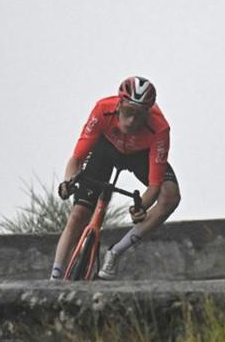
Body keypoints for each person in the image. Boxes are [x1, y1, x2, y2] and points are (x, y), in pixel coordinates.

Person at [49, 76, 181, 280]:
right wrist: (68, 183)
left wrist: (141, 208)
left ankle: (116, 252)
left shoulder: (160, 128)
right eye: (128, 112)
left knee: (170, 195)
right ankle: (55, 275)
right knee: (78, 214)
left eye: (139, 117)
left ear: (148, 114)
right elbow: (77, 158)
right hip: (107, 148)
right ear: (119, 104)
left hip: (141, 155)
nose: (131, 122)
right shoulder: (102, 109)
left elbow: (154, 186)